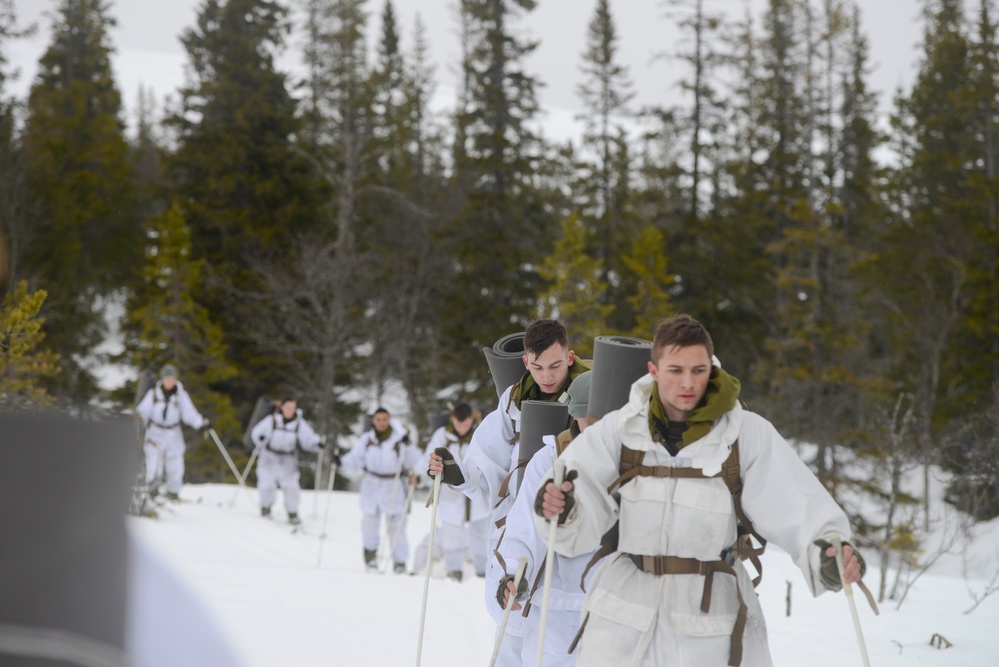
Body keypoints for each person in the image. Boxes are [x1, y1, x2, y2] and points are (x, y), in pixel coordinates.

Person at [535, 314, 870, 667]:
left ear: (711, 368)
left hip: (712, 622)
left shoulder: (744, 434)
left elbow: (795, 501)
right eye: (675, 370)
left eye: (698, 370)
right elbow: (573, 486)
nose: (687, 382)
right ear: (654, 370)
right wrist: (560, 505)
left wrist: (827, 550)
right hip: (623, 618)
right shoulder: (620, 430)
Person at [428, 318, 589, 666]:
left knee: (562, 638)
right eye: (538, 366)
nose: (547, 376)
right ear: (525, 362)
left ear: (571, 357)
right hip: (519, 525)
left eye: (556, 366)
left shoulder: (591, 399)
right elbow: (487, 457)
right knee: (512, 635)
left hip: (574, 528)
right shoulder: (513, 400)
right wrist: (458, 473)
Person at [497, 370, 601, 666]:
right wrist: (514, 575)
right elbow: (524, 525)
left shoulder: (631, 457)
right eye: (586, 417)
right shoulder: (551, 458)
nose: (594, 426)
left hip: (613, 602)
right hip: (557, 604)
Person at [339, 407, 421, 573]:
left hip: (394, 485)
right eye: (378, 420)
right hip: (372, 483)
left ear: (388, 420)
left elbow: (416, 460)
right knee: (369, 522)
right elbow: (355, 458)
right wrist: (340, 462)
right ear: (373, 421)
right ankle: (370, 558)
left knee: (396, 525)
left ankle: (399, 563)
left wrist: (409, 445)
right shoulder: (367, 439)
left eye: (385, 419)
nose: (382, 423)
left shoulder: (399, 439)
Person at [414, 403, 490, 581]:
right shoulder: (442, 435)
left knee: (481, 535)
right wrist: (419, 475)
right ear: (452, 419)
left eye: (465, 424)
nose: (461, 428)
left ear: (471, 419)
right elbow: (428, 457)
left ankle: (483, 572)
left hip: (477, 493)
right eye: (458, 423)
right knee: (451, 535)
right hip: (452, 496)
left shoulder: (481, 433)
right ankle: (454, 571)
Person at [135, 364, 210, 501]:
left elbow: (189, 413)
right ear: (162, 379)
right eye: (167, 379)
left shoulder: (181, 395)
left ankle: (173, 492)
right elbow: (143, 411)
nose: (169, 382)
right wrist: (139, 419)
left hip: (173, 432)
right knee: (153, 461)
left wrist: (200, 423)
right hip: (155, 432)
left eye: (172, 379)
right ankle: (152, 490)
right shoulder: (153, 394)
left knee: (175, 462)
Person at [248, 393, 326, 525]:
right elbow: (257, 432)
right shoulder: (272, 419)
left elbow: (308, 438)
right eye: (288, 407)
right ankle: (266, 507)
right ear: (282, 407)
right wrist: (260, 438)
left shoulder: (298, 423)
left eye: (293, 408)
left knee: (291, 487)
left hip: (288, 459)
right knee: (267, 484)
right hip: (269, 457)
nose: (290, 410)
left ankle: (292, 512)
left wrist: (316, 443)